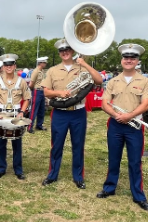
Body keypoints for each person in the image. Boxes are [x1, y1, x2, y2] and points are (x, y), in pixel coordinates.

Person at [41, 39, 103, 188]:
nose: (65, 52)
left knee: (78, 145)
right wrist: (59, 92)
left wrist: (85, 63)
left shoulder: (82, 68)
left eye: (67, 49)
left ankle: (78, 177)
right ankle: (52, 175)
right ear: (59, 53)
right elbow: (46, 91)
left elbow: (99, 80)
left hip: (78, 113)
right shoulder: (53, 70)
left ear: (73, 51)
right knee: (56, 145)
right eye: (62, 50)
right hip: (60, 113)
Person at [97, 44, 148, 211]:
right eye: (126, 58)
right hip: (115, 124)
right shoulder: (113, 81)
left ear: (137, 61)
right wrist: (116, 115)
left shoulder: (144, 81)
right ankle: (109, 188)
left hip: (134, 125)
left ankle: (138, 195)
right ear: (121, 60)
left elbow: (147, 103)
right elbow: (104, 103)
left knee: (135, 161)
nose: (129, 60)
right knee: (114, 158)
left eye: (132, 58)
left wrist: (129, 116)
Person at [0, 54, 30, 180]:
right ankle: (1, 168)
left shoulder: (21, 81)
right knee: (0, 142)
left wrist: (22, 112)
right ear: (3, 66)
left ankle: (18, 170)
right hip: (2, 114)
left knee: (17, 142)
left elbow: (27, 98)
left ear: (15, 66)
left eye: (11, 65)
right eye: (6, 65)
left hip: (15, 113)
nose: (8, 67)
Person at [27, 56, 48, 133]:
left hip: (42, 91)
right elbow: (31, 84)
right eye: (44, 62)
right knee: (34, 110)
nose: (46, 64)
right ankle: (29, 127)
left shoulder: (42, 71)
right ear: (41, 63)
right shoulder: (35, 71)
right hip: (37, 91)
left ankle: (39, 125)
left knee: (41, 109)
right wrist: (33, 90)